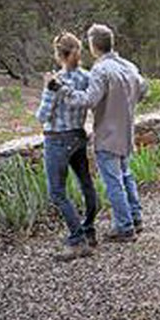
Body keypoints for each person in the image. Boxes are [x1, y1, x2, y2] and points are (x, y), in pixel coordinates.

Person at [56, 24, 148, 242]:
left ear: (92, 45)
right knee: (126, 175)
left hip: (107, 133)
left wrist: (62, 90)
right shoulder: (129, 66)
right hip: (126, 132)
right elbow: (144, 89)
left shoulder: (101, 70)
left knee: (113, 181)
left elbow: (89, 100)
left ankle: (124, 228)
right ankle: (136, 218)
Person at [36, 32, 98, 261]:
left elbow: (42, 116)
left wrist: (47, 88)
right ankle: (89, 230)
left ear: (58, 54)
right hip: (78, 135)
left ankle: (77, 239)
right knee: (86, 183)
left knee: (57, 192)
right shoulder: (87, 77)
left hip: (57, 139)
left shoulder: (56, 82)